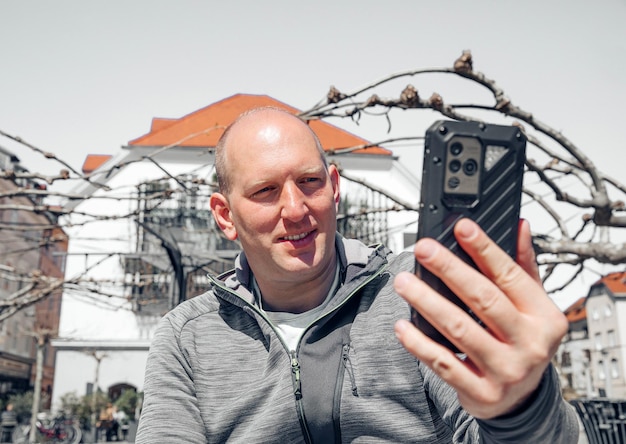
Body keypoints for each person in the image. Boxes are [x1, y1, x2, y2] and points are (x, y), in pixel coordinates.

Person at [136, 107, 579, 443]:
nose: (295, 209)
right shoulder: (185, 337)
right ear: (225, 215)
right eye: (265, 191)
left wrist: (524, 408)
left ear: (334, 187)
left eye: (309, 182)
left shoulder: (414, 291)